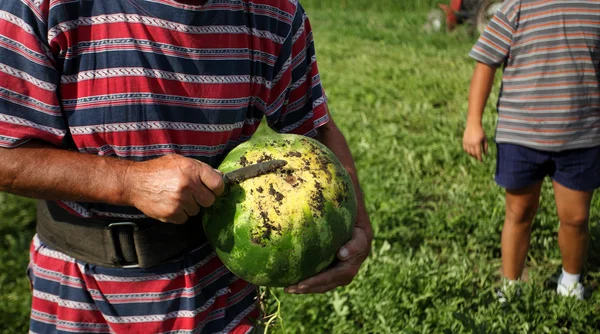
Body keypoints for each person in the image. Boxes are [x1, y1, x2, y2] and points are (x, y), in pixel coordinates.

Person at [0, 0, 373, 332]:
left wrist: (357, 228)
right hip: (80, 295)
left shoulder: (274, 14)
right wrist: (129, 183)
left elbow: (315, 128)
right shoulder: (42, 7)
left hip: (220, 297)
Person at [463, 0, 600, 301]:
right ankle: (511, 287)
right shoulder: (517, 7)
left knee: (576, 218)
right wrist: (474, 122)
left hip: (581, 136)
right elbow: (486, 62)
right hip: (521, 135)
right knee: (519, 212)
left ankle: (571, 284)